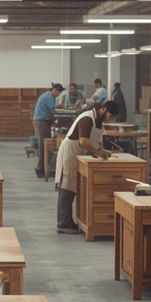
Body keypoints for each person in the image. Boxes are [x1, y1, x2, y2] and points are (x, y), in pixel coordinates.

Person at [54, 100, 119, 233]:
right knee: (67, 188)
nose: (109, 120)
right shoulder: (87, 118)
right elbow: (83, 142)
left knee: (72, 187)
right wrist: (98, 152)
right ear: (104, 109)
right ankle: (63, 224)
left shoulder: (97, 121)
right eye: (110, 117)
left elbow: (92, 141)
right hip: (70, 152)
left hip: (77, 154)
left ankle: (69, 221)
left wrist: (101, 150)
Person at [33, 83, 64, 177]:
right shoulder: (50, 96)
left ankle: (43, 167)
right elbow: (53, 110)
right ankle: (40, 169)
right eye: (58, 93)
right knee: (44, 146)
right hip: (42, 122)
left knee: (44, 145)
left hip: (41, 122)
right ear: (55, 91)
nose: (58, 95)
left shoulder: (47, 95)